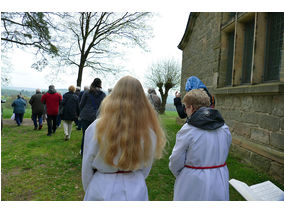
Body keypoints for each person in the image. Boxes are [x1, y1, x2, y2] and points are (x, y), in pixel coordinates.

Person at [82, 76, 166, 201]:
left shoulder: (96, 127)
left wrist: (90, 187)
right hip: (135, 186)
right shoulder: (149, 131)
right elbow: (146, 167)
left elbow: (87, 164)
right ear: (142, 100)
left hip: (102, 186)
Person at [169, 89, 231, 201]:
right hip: (219, 178)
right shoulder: (224, 128)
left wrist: (183, 174)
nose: (185, 111)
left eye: (185, 107)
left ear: (191, 108)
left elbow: (176, 160)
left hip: (193, 181)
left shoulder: (188, 130)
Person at [79, 78, 106, 156]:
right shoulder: (103, 94)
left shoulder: (87, 93)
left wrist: (81, 113)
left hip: (86, 115)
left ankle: (83, 152)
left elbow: (81, 104)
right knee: (96, 135)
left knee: (85, 134)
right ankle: (94, 152)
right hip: (97, 117)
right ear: (100, 84)